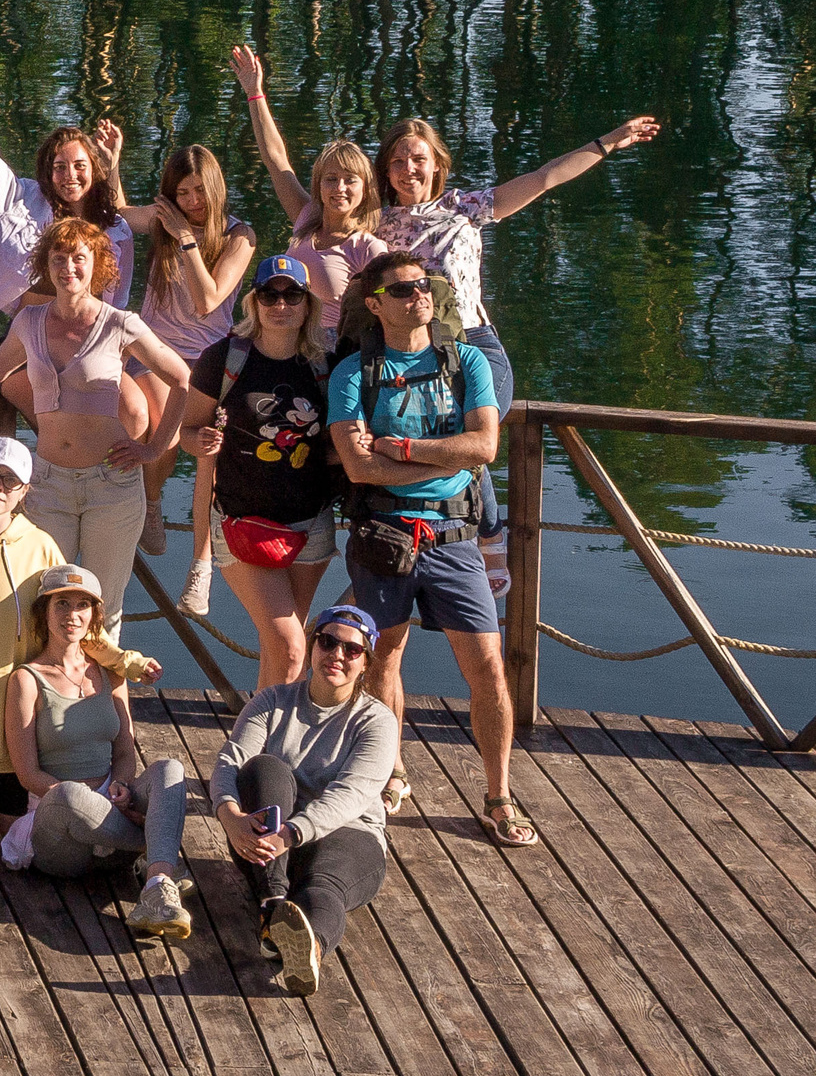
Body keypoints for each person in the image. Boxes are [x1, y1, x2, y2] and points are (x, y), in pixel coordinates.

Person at [374, 108, 659, 589]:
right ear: (385, 171)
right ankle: (447, 536)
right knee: (445, 439)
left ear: (437, 164)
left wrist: (609, 141)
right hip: (417, 356)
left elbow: (545, 178)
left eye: (418, 158)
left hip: (475, 346)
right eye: (398, 161)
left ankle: (487, 535)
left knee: (472, 436)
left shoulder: (467, 207)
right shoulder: (375, 225)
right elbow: (304, 200)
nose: (409, 169)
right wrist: (258, 99)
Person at [327, 250, 524, 844]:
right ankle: (392, 773)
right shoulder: (352, 375)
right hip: (381, 535)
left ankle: (498, 794)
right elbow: (359, 470)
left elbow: (485, 448)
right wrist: (444, 460)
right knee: (382, 660)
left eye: (424, 286)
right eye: (405, 288)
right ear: (375, 304)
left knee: (487, 667)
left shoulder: (465, 362)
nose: (419, 296)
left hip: (455, 536)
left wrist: (404, 452)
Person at [0, 438, 157, 843]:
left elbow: (79, 625)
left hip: (18, 733)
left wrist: (126, 662)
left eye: (11, 480)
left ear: (25, 491)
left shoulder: (43, 548)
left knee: (14, 833)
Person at [0, 220, 191, 643]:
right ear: (46, 265)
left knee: (102, 611)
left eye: (79, 258)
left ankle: (103, 705)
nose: (68, 267)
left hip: (110, 485)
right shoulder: (28, 322)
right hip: (48, 483)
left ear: (97, 265)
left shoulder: (119, 324)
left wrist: (154, 450)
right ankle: (42, 702)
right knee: (38, 602)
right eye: (59, 258)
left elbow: (181, 379)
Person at [212, 605, 398, 996]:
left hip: (347, 834)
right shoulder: (271, 702)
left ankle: (308, 949)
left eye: (352, 650)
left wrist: (293, 833)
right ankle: (273, 902)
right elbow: (231, 762)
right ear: (313, 646)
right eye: (328, 642)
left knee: (322, 888)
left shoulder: (376, 721)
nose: (337, 655)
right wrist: (228, 814)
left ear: (365, 663)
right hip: (270, 844)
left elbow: (351, 795)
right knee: (265, 769)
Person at [4, 565, 194, 940]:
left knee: (169, 769)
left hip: (113, 813)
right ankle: (159, 848)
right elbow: (28, 775)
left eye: (82, 605)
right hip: (61, 830)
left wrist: (121, 786)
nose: (72, 615)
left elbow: (125, 750)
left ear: (94, 616)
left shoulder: (110, 674)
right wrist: (104, 806)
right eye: (61, 604)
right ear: (44, 611)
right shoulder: (26, 679)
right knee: (70, 795)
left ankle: (157, 885)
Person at [177, 257, 340, 680]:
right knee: (289, 646)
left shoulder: (326, 362)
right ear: (254, 300)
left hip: (311, 521)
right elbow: (187, 431)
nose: (280, 304)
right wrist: (201, 441)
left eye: (293, 295)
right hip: (240, 520)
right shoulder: (223, 358)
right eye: (270, 293)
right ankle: (266, 742)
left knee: (283, 650)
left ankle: (264, 742)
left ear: (308, 305)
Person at [0, 34, 136, 325]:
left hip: (88, 341)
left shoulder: (117, 230)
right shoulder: (20, 201)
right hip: (26, 338)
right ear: (47, 171)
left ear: (94, 170)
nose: (70, 175)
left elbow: (118, 301)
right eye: (60, 167)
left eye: (80, 166)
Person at [121, 145, 257, 556]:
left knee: (215, 439)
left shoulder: (239, 235)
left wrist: (186, 240)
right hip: (154, 348)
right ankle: (150, 504)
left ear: (215, 187)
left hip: (211, 356)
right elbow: (118, 215)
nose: (193, 201)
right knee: (168, 421)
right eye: (183, 193)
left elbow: (207, 301)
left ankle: (209, 544)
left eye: (200, 190)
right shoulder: (164, 222)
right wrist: (112, 165)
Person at [228, 47, 388, 344]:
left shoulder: (368, 248)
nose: (339, 188)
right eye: (331, 179)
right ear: (318, 185)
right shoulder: (305, 220)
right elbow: (275, 159)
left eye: (350, 180)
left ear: (365, 188)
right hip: (286, 341)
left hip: (334, 351)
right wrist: (254, 92)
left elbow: (386, 315)